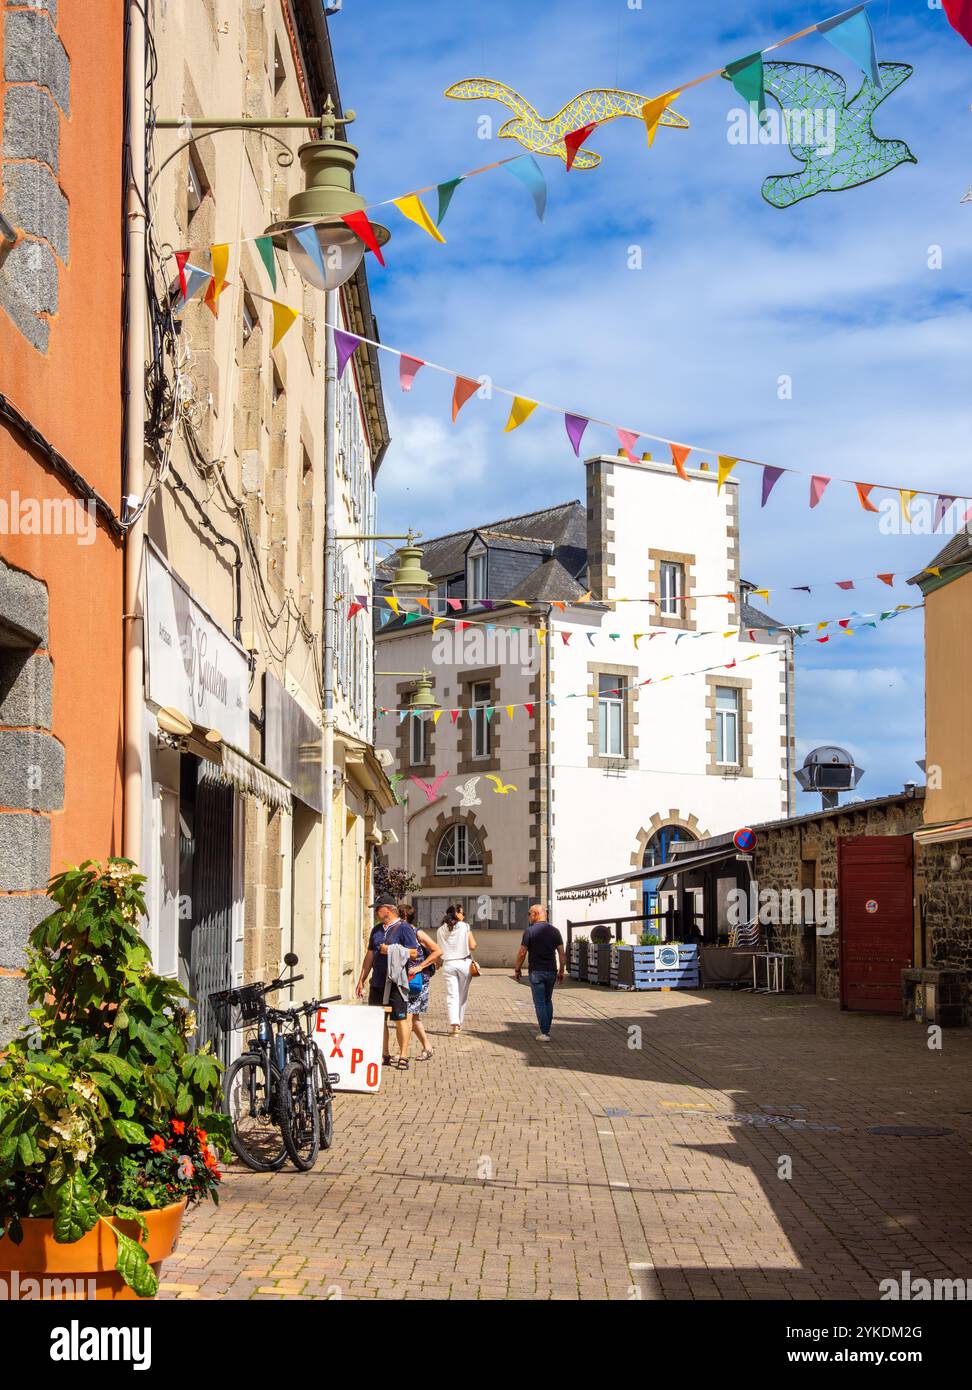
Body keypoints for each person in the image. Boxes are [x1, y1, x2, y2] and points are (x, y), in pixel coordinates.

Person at [355, 894, 419, 1069]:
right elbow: (369, 956)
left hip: (396, 982)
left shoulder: (404, 928)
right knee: (378, 1018)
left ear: (389, 909)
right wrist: (361, 979)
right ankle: (384, 1053)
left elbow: (413, 953)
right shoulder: (376, 930)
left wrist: (390, 950)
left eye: (378, 908)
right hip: (377, 981)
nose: (375, 912)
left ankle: (403, 1055)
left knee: (400, 1018)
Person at [514, 903, 565, 1041]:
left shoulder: (530, 931)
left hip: (536, 971)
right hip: (551, 970)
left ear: (536, 914)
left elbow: (522, 952)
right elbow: (561, 953)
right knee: (547, 1000)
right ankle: (546, 1029)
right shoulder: (555, 931)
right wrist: (561, 971)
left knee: (540, 1002)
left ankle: (544, 1032)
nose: (529, 917)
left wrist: (517, 968)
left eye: (529, 914)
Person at [399, 903, 442, 1062]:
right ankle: (427, 1047)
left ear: (404, 916)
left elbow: (438, 950)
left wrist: (420, 967)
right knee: (414, 1017)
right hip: (405, 979)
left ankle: (402, 1052)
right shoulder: (402, 932)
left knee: (408, 1016)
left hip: (417, 981)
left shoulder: (418, 933)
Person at [437, 903, 477, 1037]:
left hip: (448, 964)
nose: (464, 915)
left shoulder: (440, 930)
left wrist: (437, 964)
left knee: (451, 995)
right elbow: (473, 946)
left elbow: (439, 950)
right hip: (464, 963)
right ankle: (459, 1022)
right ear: (457, 914)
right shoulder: (464, 926)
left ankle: (454, 1025)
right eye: (462, 913)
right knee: (462, 996)